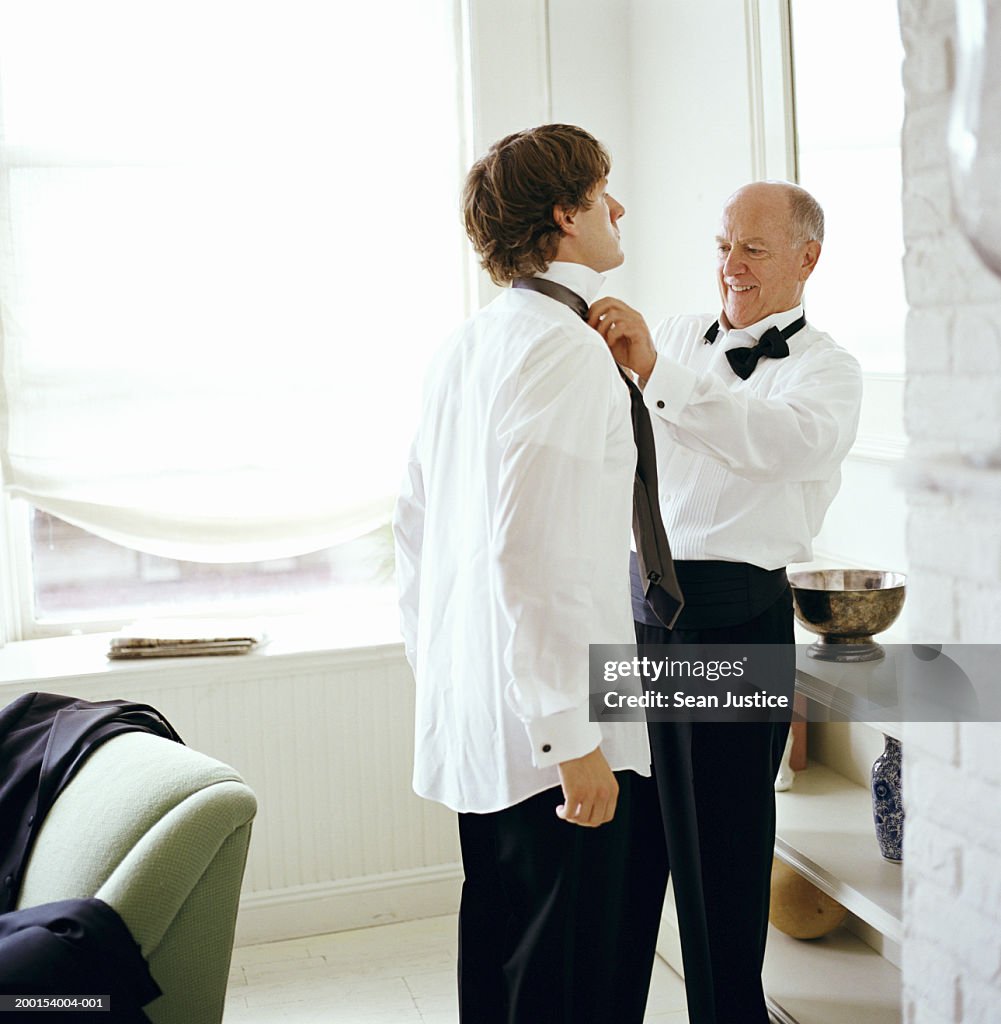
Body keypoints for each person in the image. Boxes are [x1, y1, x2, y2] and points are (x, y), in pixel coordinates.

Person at [392, 124, 670, 1024]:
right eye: (601, 194)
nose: (617, 208)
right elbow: (534, 552)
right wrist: (569, 738)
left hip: (484, 711)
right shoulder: (561, 350)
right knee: (574, 976)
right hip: (552, 730)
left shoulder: (464, 347)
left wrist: (452, 679)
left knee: (507, 962)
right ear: (563, 214)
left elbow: (414, 539)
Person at [589, 180, 863, 1024]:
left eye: (751, 248)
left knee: (719, 853)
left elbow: (766, 443)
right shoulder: (673, 335)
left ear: (805, 259)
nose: (729, 265)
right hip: (633, 606)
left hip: (732, 614)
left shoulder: (828, 372)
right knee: (626, 841)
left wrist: (658, 376)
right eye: (721, 245)